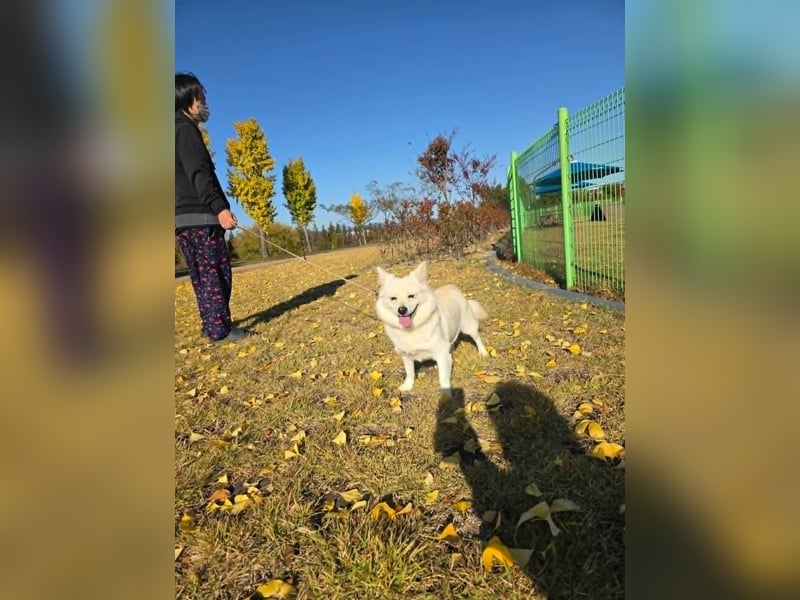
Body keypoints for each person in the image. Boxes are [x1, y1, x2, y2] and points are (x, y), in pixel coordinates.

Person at [175, 72, 249, 342]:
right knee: (216, 275)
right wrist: (219, 208)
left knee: (201, 276)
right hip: (201, 216)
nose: (203, 102)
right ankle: (220, 330)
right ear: (186, 99)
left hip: (183, 220)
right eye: (200, 97)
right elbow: (199, 172)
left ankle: (211, 325)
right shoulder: (184, 130)